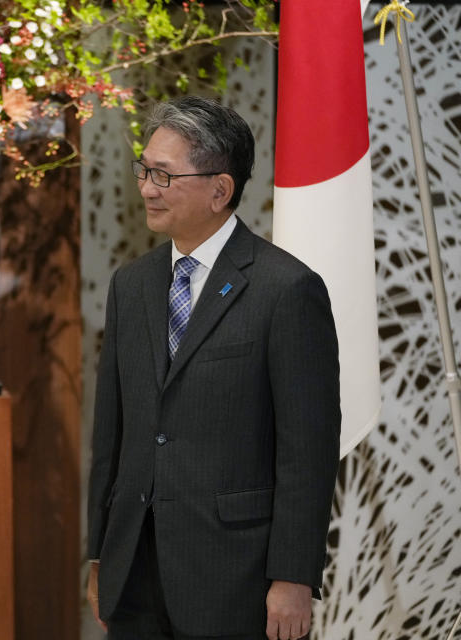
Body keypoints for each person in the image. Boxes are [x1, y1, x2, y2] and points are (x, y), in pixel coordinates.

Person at [86, 96, 340, 640]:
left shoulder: (287, 289)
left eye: (163, 175)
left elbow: (307, 450)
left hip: (235, 577)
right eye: (144, 170)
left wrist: (293, 578)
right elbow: (113, 432)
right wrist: (100, 552)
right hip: (134, 569)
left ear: (220, 189)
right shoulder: (130, 286)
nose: (147, 187)